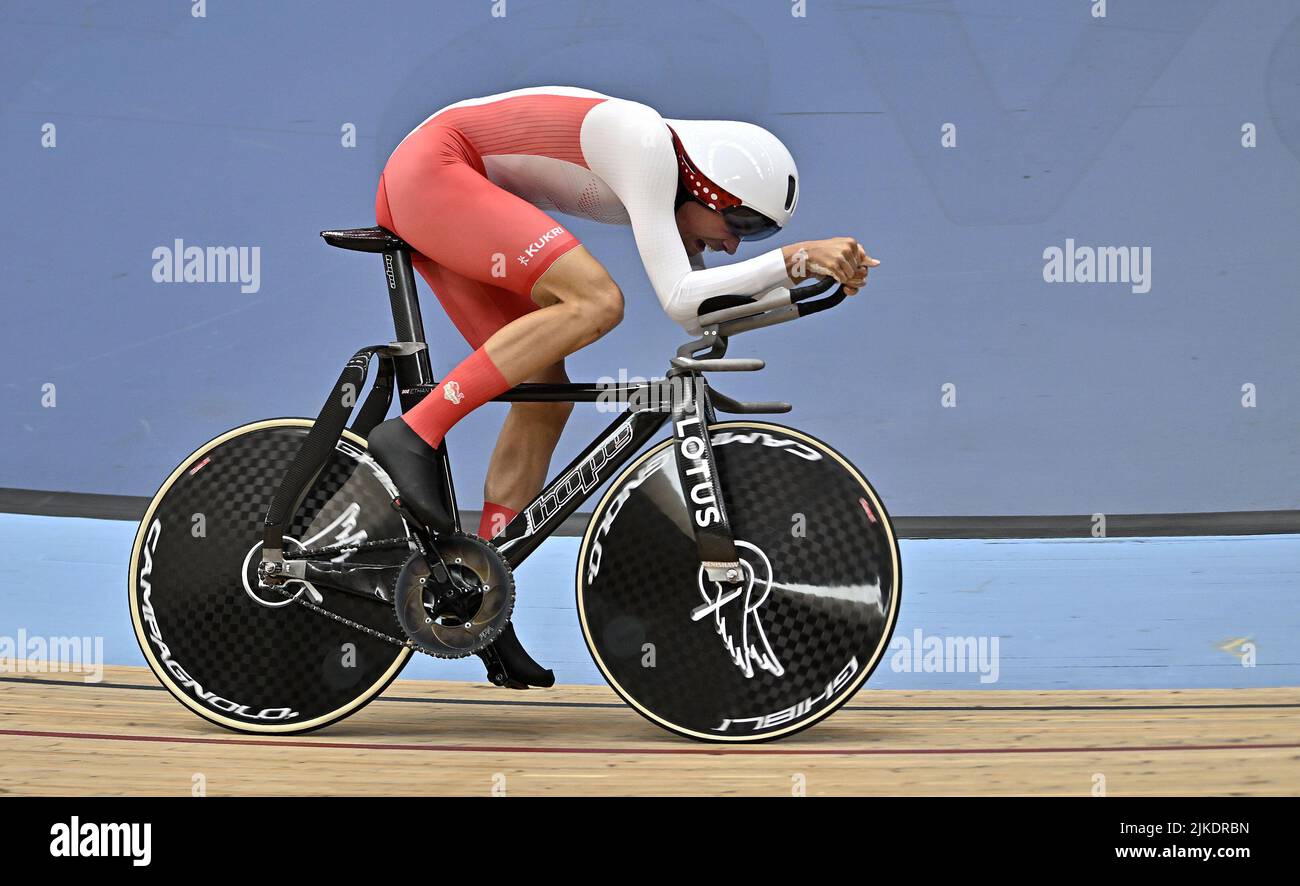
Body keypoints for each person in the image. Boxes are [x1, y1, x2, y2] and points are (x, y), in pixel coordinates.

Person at [365, 86, 877, 685]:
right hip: (434, 169)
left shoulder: (669, 173)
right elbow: (683, 301)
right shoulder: (647, 146)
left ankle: (482, 602)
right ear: (704, 186)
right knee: (597, 301)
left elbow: (702, 307)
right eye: (738, 222)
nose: (735, 243)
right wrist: (791, 260)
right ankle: (413, 431)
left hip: (443, 183)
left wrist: (804, 292)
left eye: (757, 235)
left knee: (545, 395)